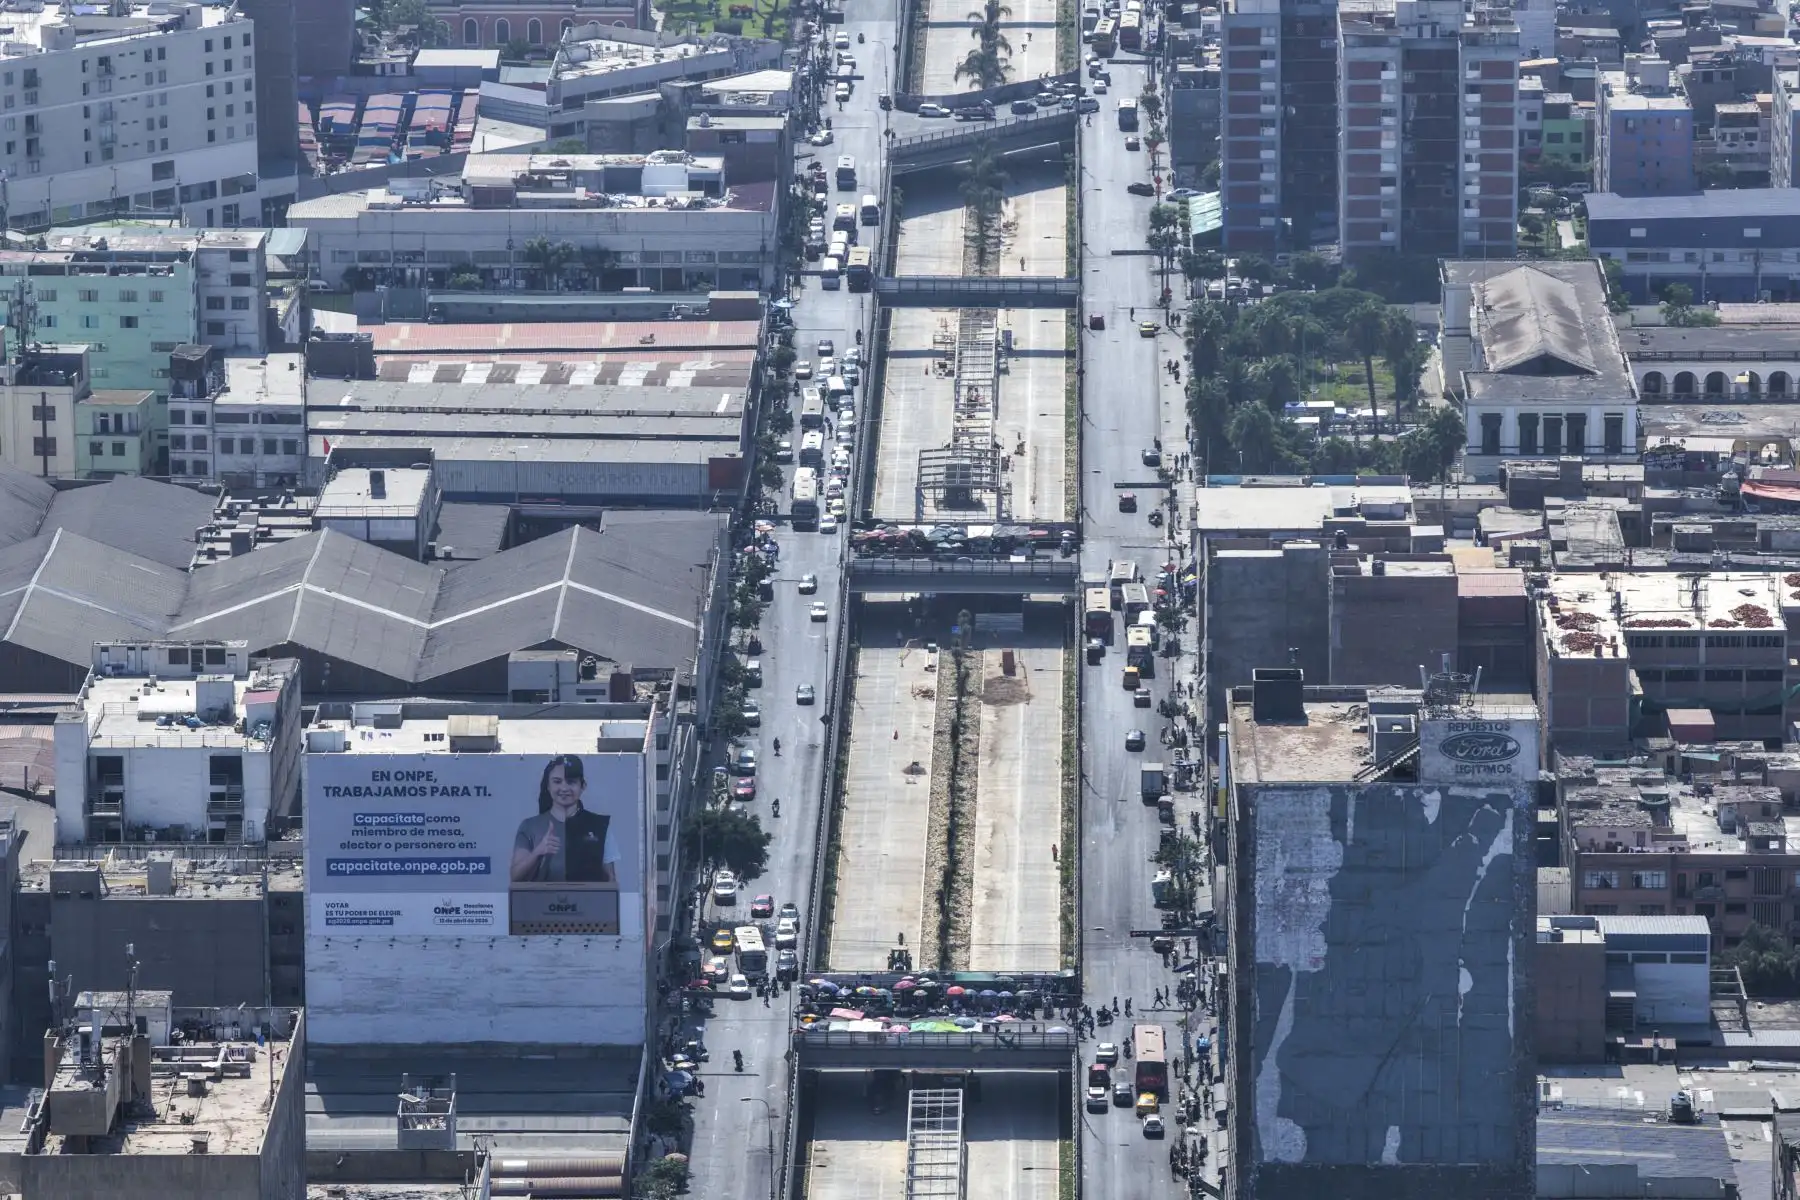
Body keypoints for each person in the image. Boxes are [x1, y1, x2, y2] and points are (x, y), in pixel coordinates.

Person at [511, 755, 616, 883]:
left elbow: (611, 881)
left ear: (582, 786)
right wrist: (538, 852)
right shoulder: (529, 826)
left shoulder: (600, 826)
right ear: (548, 786)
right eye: (557, 781)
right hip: (540, 902)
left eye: (571, 782)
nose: (564, 788)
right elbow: (515, 877)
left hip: (587, 902)